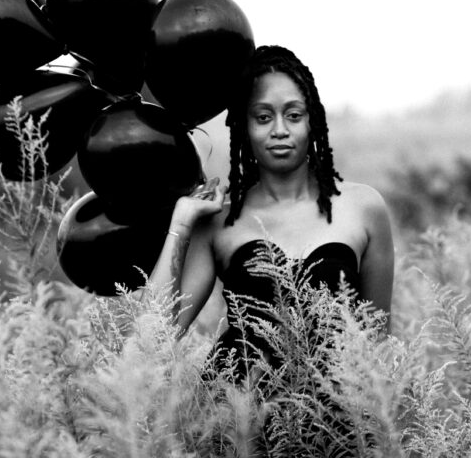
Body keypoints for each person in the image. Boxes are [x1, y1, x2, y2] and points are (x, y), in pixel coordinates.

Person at [147, 44, 394, 372]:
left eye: (293, 115)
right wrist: (181, 223)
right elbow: (150, 343)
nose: (280, 130)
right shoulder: (222, 220)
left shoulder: (363, 208)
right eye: (263, 117)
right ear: (244, 127)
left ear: (312, 122)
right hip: (236, 416)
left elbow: (377, 345)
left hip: (336, 418)